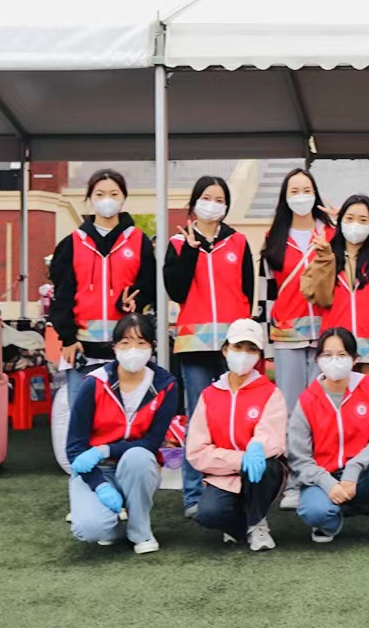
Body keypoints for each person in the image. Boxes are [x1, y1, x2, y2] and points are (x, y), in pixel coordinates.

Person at [163, 175, 255, 519]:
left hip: (234, 350)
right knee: (198, 420)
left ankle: (234, 489)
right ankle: (193, 494)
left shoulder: (239, 242)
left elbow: (248, 292)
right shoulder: (177, 243)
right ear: (194, 202)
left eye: (219, 199)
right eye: (206, 197)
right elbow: (176, 290)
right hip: (195, 347)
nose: (212, 204)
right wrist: (190, 252)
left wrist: (246, 340)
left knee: (234, 419)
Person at [289, 326, 369, 548]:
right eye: (327, 355)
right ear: (318, 359)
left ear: (354, 359)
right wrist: (328, 483)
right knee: (315, 512)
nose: (334, 361)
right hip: (323, 478)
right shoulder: (308, 399)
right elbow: (299, 457)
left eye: (342, 354)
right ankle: (330, 520)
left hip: (363, 474)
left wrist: (354, 468)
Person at [257, 167, 336, 509]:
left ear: (316, 194)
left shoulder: (331, 234)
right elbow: (266, 292)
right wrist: (265, 340)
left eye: (306, 190)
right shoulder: (273, 237)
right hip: (286, 333)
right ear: (285, 197)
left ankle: (317, 478)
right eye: (294, 190)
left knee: (321, 407)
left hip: (325, 334)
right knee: (290, 409)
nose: (301, 196)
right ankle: (292, 482)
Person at [67, 314, 178, 554]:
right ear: (114, 347)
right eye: (125, 343)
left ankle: (140, 531)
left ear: (152, 347)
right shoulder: (94, 384)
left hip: (137, 466)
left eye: (141, 343)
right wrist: (99, 485)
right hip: (96, 468)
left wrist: (105, 449)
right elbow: (74, 448)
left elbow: (151, 443)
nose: (133, 350)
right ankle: (113, 525)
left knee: (138, 456)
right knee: (91, 529)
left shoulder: (165, 384)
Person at [49, 168, 156, 404]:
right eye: (99, 194)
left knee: (126, 411)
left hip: (128, 348)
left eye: (114, 194)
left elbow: (149, 286)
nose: (107, 200)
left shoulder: (139, 241)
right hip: (82, 347)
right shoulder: (72, 243)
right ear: (90, 198)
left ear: (123, 197)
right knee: (82, 412)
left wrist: (136, 300)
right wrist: (67, 338)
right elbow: (61, 295)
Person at [186, 319, 287, 551]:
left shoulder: (270, 392)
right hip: (223, 476)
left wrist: (256, 448)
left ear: (259, 356)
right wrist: (239, 459)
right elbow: (197, 451)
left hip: (260, 474)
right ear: (225, 350)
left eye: (251, 349)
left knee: (266, 465)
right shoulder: (209, 395)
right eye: (238, 347)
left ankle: (258, 524)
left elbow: (273, 437)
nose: (243, 354)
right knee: (208, 513)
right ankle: (243, 525)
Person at [301, 194, 369, 385]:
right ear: (340, 222)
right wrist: (325, 259)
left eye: (363, 220)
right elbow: (320, 298)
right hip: (335, 355)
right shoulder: (327, 256)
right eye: (349, 218)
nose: (355, 225)